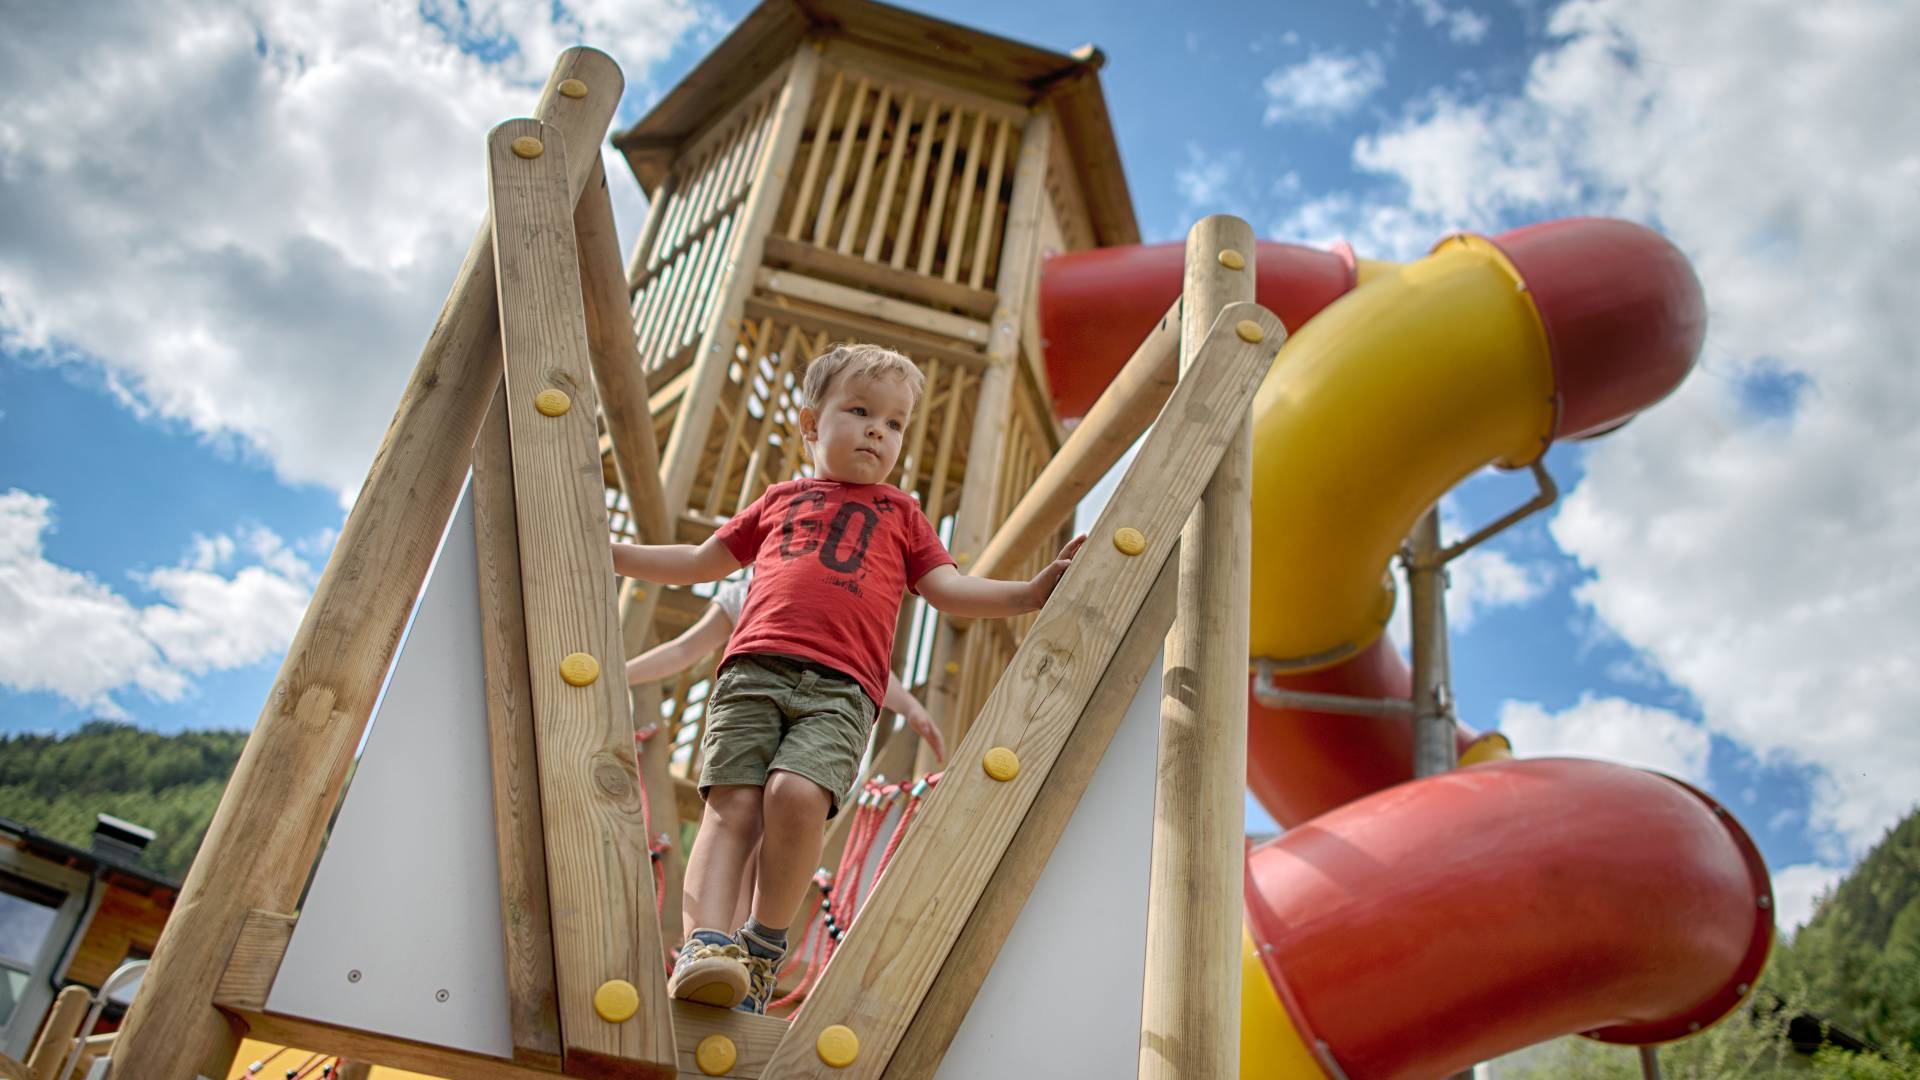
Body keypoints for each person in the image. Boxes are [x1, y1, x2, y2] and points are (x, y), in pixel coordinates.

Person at [611, 343, 1083, 1013]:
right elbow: (696, 562)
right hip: (752, 672)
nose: (877, 432)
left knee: (798, 795)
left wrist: (1029, 594)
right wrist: (612, 553)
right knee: (733, 805)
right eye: (860, 412)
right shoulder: (779, 501)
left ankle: (761, 948)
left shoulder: (902, 515)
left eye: (893, 424)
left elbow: (950, 589)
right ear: (811, 424)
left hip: (841, 690)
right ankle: (704, 947)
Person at [625, 574, 947, 762]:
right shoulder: (746, 593)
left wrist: (910, 707)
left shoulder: (822, 595)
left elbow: (862, 660)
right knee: (735, 808)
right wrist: (623, 674)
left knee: (784, 804)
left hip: (812, 723)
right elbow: (684, 649)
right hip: (751, 715)